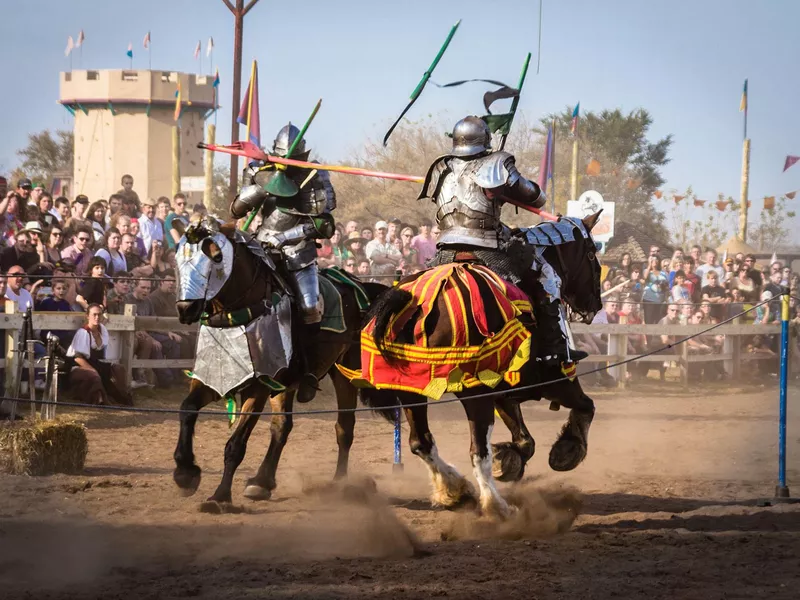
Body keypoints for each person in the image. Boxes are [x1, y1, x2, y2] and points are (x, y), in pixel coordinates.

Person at [419, 115, 586, 365]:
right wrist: (506, 182)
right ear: (485, 139)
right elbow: (533, 197)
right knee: (545, 274)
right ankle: (553, 347)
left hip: (445, 248)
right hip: (485, 245)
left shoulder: (441, 166)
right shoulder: (497, 162)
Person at [229, 124, 336, 401]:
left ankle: (309, 371)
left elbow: (324, 225)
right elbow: (236, 210)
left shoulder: (313, 173)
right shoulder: (258, 169)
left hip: (298, 251)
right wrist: (262, 188)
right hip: (261, 246)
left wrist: (287, 237)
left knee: (311, 307)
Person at [65, 304, 132, 405]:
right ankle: (100, 399)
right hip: (77, 365)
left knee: (119, 368)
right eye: (94, 315)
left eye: (99, 315)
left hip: (94, 362)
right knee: (94, 375)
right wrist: (93, 370)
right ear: (88, 316)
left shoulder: (102, 330)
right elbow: (78, 358)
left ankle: (122, 396)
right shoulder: (83, 332)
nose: (97, 317)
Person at [36, 278, 76, 348]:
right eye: (58, 288)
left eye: (64, 289)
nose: (61, 291)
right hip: (48, 332)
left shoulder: (66, 304)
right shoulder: (46, 302)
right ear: (53, 290)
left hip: (62, 333)